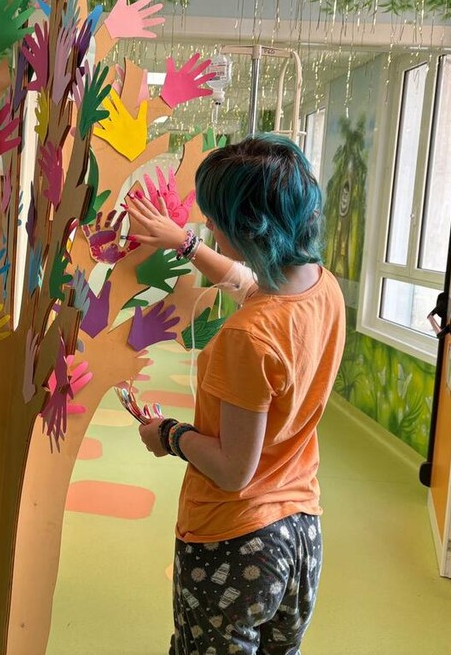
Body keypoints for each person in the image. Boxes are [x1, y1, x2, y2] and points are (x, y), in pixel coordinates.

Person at [126, 134, 346, 655]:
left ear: (249, 229)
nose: (208, 226)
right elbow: (253, 285)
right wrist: (185, 244)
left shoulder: (248, 337)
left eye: (215, 219)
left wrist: (169, 435)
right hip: (301, 536)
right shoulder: (322, 287)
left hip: (236, 542)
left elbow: (232, 471)